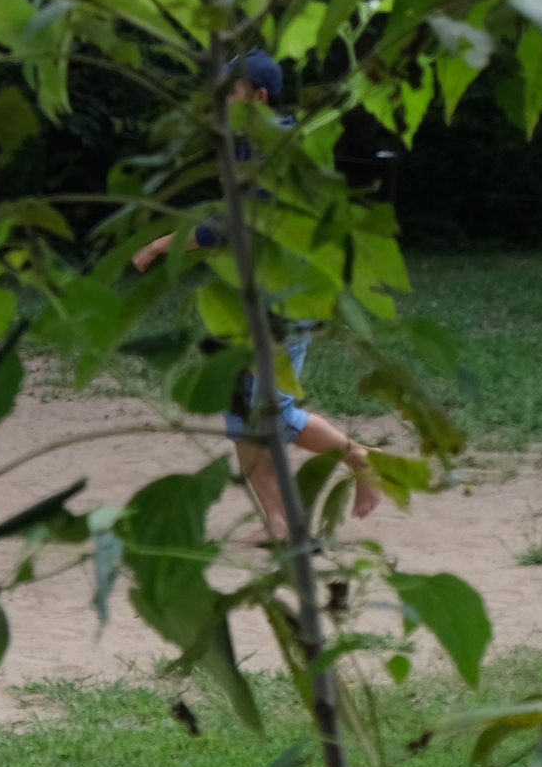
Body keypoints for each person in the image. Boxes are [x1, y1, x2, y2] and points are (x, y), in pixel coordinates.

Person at [132, 50, 384, 527]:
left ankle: (360, 458)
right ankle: (280, 523)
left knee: (273, 414)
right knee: (240, 414)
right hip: (253, 299)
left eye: (232, 90)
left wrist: (162, 245)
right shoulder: (250, 146)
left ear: (259, 97)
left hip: (289, 299)